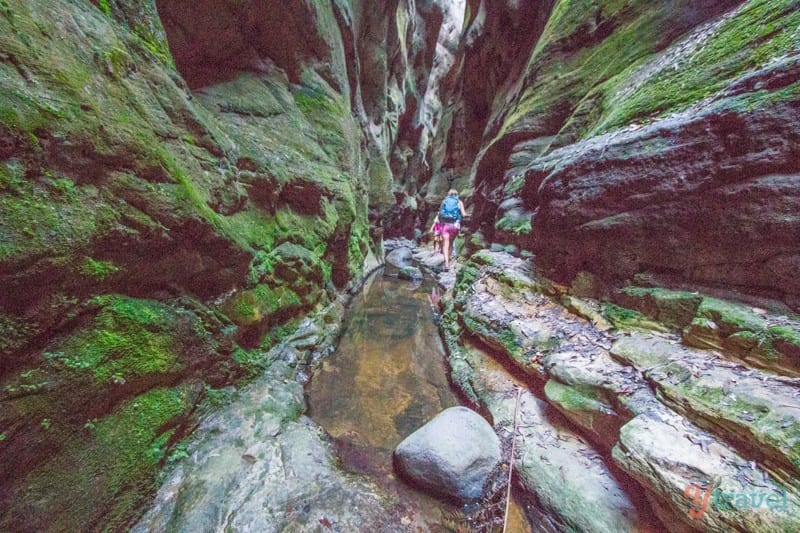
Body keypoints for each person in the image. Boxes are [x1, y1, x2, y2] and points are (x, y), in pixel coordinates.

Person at [437, 189, 466, 270]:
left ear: (448, 194)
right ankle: (449, 260)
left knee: (445, 244)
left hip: (445, 225)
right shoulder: (459, 202)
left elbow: (440, 213)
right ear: (457, 195)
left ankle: (446, 263)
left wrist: (440, 224)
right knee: (451, 243)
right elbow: (463, 214)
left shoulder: (444, 201)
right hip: (455, 226)